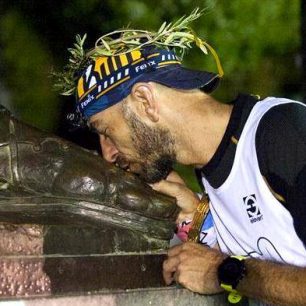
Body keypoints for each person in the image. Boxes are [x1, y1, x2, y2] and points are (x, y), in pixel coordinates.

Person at [55, 12, 306, 306]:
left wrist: (224, 272)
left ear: (146, 102)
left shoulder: (283, 133)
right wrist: (196, 216)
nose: (108, 151)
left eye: (106, 131)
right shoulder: (212, 173)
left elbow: (229, 270)